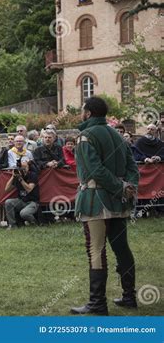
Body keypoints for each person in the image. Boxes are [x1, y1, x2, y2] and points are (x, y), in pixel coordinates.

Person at [70, 96, 139, 316]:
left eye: (83, 110)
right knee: (121, 247)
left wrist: (120, 187)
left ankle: (97, 303)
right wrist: (127, 186)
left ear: (88, 113)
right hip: (118, 201)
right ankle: (129, 297)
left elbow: (95, 171)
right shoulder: (118, 135)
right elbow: (132, 168)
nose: (81, 113)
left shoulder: (85, 136)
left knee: (96, 249)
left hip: (95, 200)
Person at [4, 160, 39, 228]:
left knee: (24, 213)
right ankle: (12, 225)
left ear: (28, 167)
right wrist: (13, 176)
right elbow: (6, 189)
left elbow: (29, 189)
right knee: (8, 202)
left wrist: (20, 179)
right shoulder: (18, 176)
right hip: (21, 201)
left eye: (24, 168)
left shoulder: (32, 175)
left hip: (32, 202)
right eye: (21, 168)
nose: (23, 170)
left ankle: (34, 222)